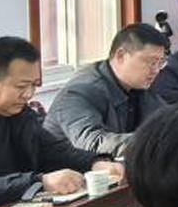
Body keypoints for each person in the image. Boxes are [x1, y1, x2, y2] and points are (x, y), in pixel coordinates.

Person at [0, 36, 118, 207]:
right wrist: (38, 182)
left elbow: (51, 151)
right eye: (21, 87)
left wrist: (94, 162)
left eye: (34, 85)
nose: (29, 94)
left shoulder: (19, 111)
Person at [44, 22, 169, 156]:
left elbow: (167, 121)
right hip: (70, 167)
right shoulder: (79, 91)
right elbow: (93, 143)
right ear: (120, 56)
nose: (156, 70)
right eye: (151, 62)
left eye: (160, 62)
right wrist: (156, 141)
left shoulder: (139, 85)